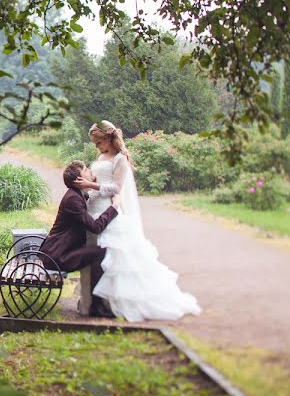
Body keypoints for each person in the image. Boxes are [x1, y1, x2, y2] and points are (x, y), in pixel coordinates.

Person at [74, 120, 201, 322]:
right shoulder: (100, 157)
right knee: (94, 258)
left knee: (111, 259)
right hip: (94, 210)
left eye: (98, 143)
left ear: (107, 138)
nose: (96, 147)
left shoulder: (120, 160)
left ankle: (108, 304)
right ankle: (94, 302)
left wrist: (91, 185)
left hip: (108, 210)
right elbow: (97, 181)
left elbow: (115, 188)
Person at [39, 161, 119, 317]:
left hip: (59, 252)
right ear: (78, 179)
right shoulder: (73, 200)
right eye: (86, 170)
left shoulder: (76, 195)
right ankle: (96, 306)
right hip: (57, 257)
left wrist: (93, 184)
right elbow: (95, 227)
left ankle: (94, 302)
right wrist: (114, 207)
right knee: (100, 252)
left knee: (98, 252)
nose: (90, 171)